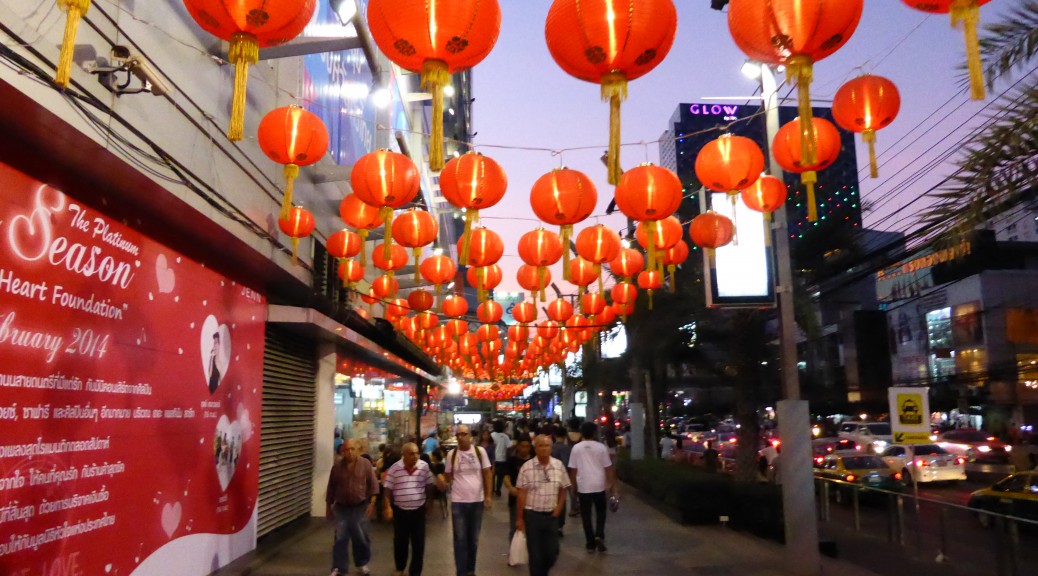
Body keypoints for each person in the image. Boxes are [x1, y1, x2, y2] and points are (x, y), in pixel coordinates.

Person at [383, 442, 445, 576]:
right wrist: (387, 506)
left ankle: (415, 571)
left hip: (418, 510)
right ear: (403, 455)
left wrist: (429, 503)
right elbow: (387, 488)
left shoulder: (424, 467)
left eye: (417, 453)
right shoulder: (395, 468)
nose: (415, 456)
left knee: (418, 542)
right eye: (411, 454)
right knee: (400, 541)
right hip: (400, 511)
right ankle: (400, 567)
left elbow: (429, 485)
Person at [515, 434, 571, 576]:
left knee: (552, 552)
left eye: (547, 445)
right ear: (535, 448)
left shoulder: (558, 466)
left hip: (551, 516)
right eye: (541, 446)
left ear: (551, 448)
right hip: (532, 515)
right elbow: (521, 493)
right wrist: (520, 518)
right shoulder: (527, 467)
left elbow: (563, 489)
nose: (544, 448)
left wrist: (558, 508)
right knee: (535, 554)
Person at [326, 438, 380, 576]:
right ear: (342, 451)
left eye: (352, 449)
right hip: (341, 507)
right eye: (346, 449)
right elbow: (331, 488)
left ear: (357, 450)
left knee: (361, 536)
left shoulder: (365, 464)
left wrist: (372, 503)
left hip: (360, 507)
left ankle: (362, 564)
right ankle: (339, 567)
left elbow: (373, 485)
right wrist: (328, 508)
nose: (349, 452)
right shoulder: (337, 467)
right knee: (340, 537)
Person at [444, 424, 493, 576]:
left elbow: (487, 474)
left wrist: (488, 495)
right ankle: (461, 571)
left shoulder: (480, 452)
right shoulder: (451, 455)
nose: (460, 437)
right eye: (458, 434)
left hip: (476, 501)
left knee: (473, 538)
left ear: (470, 436)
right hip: (458, 501)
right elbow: (448, 476)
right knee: (460, 538)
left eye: (464, 434)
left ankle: (470, 569)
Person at [568, 421, 617, 553]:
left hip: (583, 486)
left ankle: (590, 543)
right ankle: (599, 534)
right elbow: (608, 468)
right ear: (594, 433)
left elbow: (573, 470)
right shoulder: (601, 448)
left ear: (582, 433)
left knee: (586, 515)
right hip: (599, 485)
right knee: (601, 512)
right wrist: (612, 486)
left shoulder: (576, 448)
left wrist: (573, 487)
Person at [503, 435, 533, 542]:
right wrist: (510, 488)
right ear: (518, 446)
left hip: (532, 498)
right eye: (522, 446)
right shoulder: (512, 460)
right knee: (515, 526)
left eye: (527, 446)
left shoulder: (534, 459)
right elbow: (506, 476)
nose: (525, 449)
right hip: (516, 499)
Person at [549, 426, 573, 535]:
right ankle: (560, 525)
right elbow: (568, 464)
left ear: (555, 435)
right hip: (563, 476)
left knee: (552, 499)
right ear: (565, 436)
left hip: (551, 476)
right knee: (562, 500)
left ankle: (552, 521)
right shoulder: (567, 448)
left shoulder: (551, 447)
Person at [491, 420, 512, 496]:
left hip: (493, 459)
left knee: (492, 475)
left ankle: (492, 489)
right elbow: (509, 447)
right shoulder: (505, 436)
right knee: (500, 476)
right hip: (502, 459)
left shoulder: (491, 435)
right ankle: (498, 490)